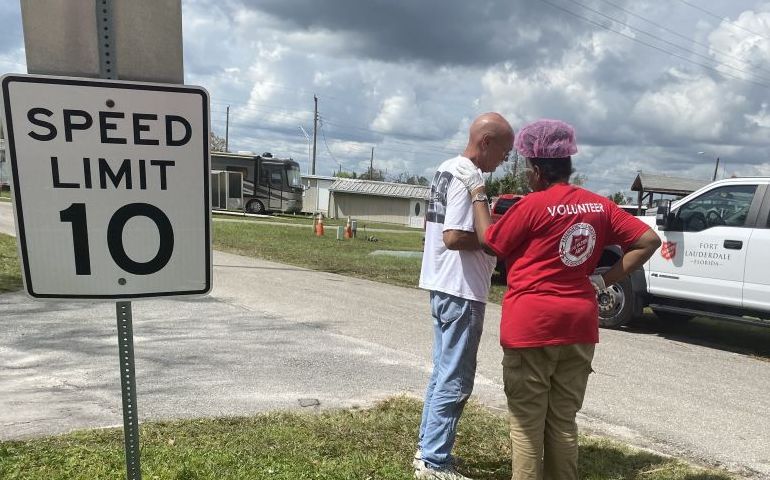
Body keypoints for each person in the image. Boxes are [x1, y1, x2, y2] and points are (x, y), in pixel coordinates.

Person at [454, 119, 661, 480]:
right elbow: (648, 241)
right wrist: (604, 279)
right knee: (563, 421)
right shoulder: (600, 206)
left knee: (527, 425)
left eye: (526, 169)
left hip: (531, 328)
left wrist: (478, 194)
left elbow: (490, 241)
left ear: (536, 170)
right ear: (567, 164)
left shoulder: (531, 206)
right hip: (578, 325)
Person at [415, 112, 514, 480]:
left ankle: (427, 451)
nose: (505, 160)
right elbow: (454, 236)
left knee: (443, 373)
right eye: (504, 151)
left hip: (443, 283)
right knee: (456, 379)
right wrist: (496, 240)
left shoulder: (446, 168)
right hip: (461, 289)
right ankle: (434, 462)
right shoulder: (467, 176)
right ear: (486, 142)